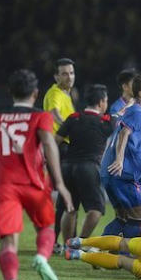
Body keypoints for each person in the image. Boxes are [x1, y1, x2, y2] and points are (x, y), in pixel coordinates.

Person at [0, 69, 74, 280]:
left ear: (9, 92)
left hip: (4, 186)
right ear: (36, 93)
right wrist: (59, 184)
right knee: (45, 228)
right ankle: (41, 258)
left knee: (8, 243)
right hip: (34, 184)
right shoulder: (40, 117)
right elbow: (49, 145)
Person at [100, 74, 141, 238]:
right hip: (121, 175)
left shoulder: (137, 113)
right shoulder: (138, 113)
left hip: (113, 173)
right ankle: (125, 254)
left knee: (128, 215)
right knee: (138, 215)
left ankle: (95, 248)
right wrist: (119, 159)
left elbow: (137, 154)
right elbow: (124, 133)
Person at [55, 84, 115, 244]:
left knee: (70, 207)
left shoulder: (73, 118)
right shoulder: (106, 121)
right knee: (96, 209)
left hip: (67, 167)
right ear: (102, 102)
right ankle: (80, 242)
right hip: (88, 167)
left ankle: (68, 245)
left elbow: (56, 141)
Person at [43, 57, 76, 253]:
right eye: (64, 73)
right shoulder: (54, 93)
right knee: (65, 198)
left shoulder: (66, 94)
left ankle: (57, 239)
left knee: (65, 198)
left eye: (71, 73)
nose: (69, 77)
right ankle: (54, 241)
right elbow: (54, 113)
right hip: (59, 148)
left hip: (64, 148)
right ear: (56, 76)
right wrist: (71, 127)